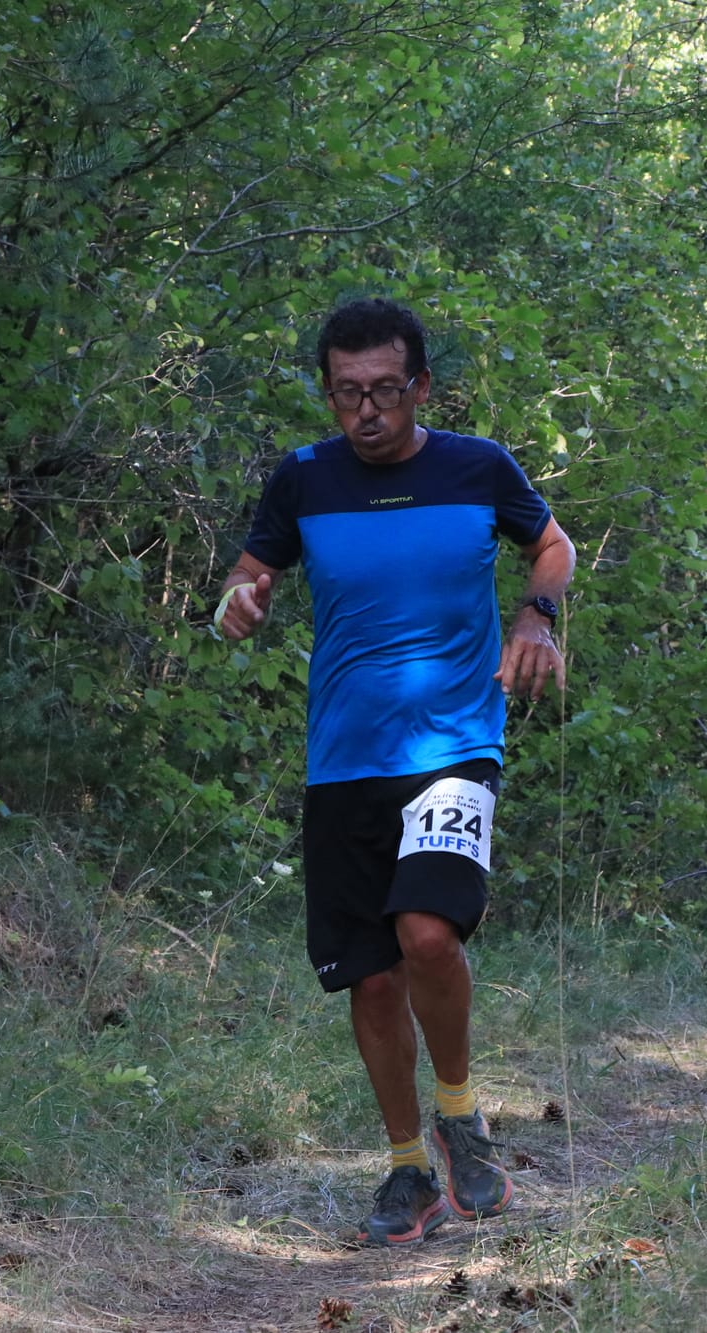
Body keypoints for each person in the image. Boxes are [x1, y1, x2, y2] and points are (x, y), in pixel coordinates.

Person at [216, 298, 574, 1246]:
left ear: (420, 386)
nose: (366, 411)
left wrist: (536, 615)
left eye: (384, 391)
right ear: (328, 393)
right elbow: (244, 582)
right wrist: (236, 608)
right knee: (371, 980)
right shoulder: (302, 480)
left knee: (427, 933)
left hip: (456, 742)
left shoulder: (477, 466)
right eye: (346, 394)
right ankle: (410, 1168)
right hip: (344, 760)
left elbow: (553, 543)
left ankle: (461, 1115)